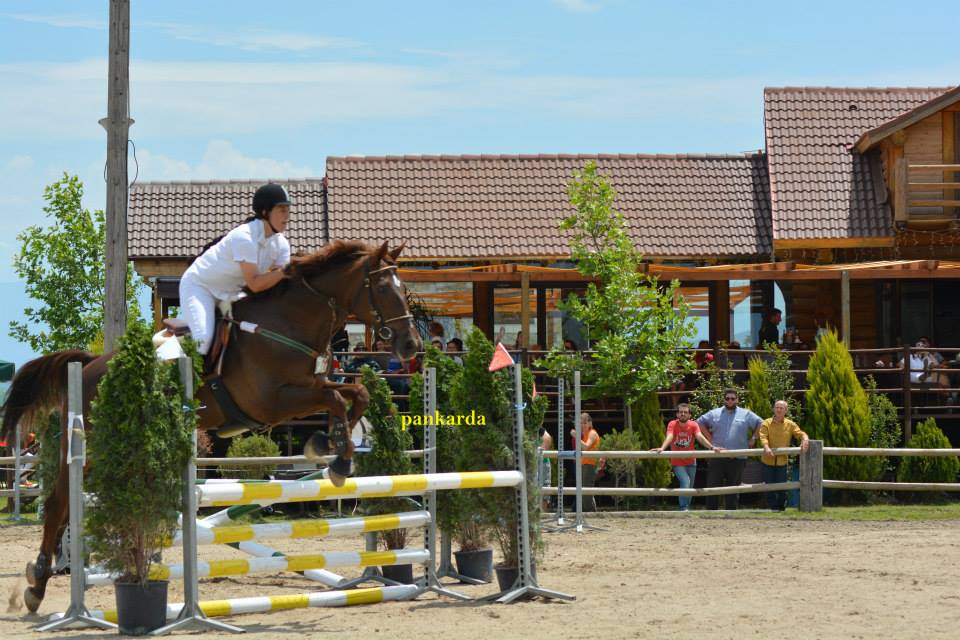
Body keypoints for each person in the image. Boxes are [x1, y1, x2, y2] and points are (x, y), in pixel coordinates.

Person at [178, 183, 292, 355]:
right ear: (265, 212)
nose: (287, 216)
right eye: (282, 210)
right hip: (200, 286)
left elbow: (277, 283)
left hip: (232, 293)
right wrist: (287, 271)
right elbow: (255, 284)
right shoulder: (244, 237)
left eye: (288, 210)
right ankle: (174, 362)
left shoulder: (281, 244)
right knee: (203, 340)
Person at [696, 389, 762, 510]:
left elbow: (761, 423)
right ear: (724, 400)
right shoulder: (714, 413)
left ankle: (731, 513)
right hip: (717, 456)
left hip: (738, 458)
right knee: (713, 486)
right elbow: (699, 423)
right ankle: (710, 513)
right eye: (727, 398)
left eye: (733, 398)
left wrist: (753, 438)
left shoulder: (746, 414)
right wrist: (710, 439)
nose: (730, 401)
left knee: (734, 488)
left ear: (737, 400)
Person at [652, 403, 721, 511]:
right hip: (677, 461)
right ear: (677, 414)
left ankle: (686, 507)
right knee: (686, 481)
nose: (683, 414)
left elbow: (699, 436)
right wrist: (662, 448)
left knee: (690, 486)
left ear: (689, 415)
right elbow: (670, 436)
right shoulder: (672, 424)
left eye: (685, 412)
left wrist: (712, 447)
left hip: (691, 461)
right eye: (680, 412)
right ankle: (683, 507)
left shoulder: (693, 425)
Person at [758, 400, 809, 511]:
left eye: (781, 408)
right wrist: (766, 447)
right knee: (769, 487)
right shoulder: (766, 423)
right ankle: (773, 509)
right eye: (777, 407)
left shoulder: (790, 424)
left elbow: (800, 433)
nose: (779, 410)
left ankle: (781, 509)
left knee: (782, 488)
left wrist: (805, 439)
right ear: (774, 409)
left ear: (786, 410)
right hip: (767, 461)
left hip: (782, 462)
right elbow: (763, 437)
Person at [570, 412, 601, 511]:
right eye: (581, 423)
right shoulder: (585, 434)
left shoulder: (592, 433)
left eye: (584, 423)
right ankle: (592, 511)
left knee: (586, 492)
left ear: (590, 423)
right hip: (584, 464)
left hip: (590, 465)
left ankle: (589, 513)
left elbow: (586, 446)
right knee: (585, 491)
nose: (582, 425)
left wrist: (576, 436)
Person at [539, 427, 554, 511]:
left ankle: (543, 514)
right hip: (538, 463)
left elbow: (547, 438)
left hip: (542, 463)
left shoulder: (541, 431)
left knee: (544, 491)